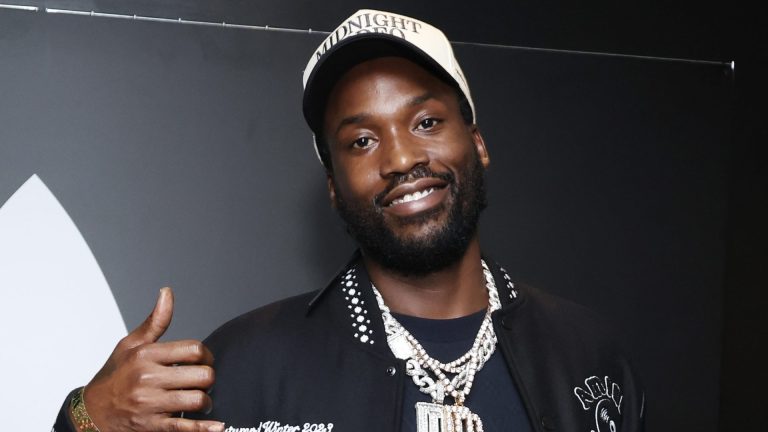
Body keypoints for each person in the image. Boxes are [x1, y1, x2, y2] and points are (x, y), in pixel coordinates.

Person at [54, 9, 644, 432]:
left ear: (478, 143)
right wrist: (86, 419)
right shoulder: (245, 363)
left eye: (426, 123)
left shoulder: (587, 350)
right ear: (335, 188)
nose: (402, 159)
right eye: (362, 140)